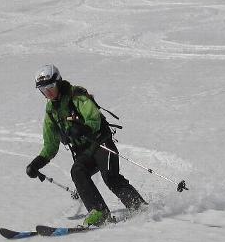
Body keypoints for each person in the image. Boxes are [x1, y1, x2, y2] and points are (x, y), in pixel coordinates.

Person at [24, 64, 146, 227]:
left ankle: (139, 207)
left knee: (110, 177)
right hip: (84, 152)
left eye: (51, 88)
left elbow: (94, 118)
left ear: (58, 82)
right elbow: (50, 145)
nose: (48, 94)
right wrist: (37, 163)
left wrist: (82, 128)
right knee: (77, 171)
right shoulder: (51, 111)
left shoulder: (77, 96)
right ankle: (99, 211)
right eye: (44, 91)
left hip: (101, 143)